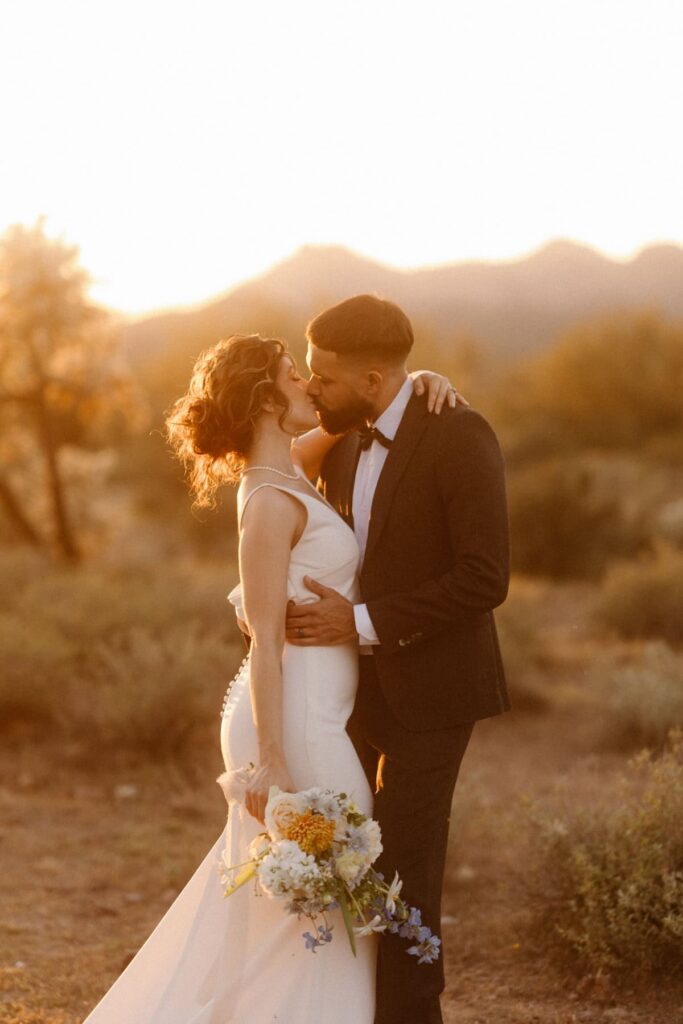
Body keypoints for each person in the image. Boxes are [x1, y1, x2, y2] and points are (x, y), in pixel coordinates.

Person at [80, 330, 456, 1024]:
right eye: (293, 377)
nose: (309, 387)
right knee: (325, 888)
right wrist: (274, 759)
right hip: (293, 721)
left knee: (303, 902)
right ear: (262, 398)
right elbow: (263, 639)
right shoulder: (267, 503)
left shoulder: (285, 473)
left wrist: (418, 377)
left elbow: (365, 422)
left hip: (309, 712)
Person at [284, 294, 511, 1024]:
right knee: (352, 860)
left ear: (374, 379)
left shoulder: (459, 433)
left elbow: (485, 577)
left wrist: (359, 622)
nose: (311, 386)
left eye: (322, 375)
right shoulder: (342, 441)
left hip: (435, 692)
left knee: (407, 872)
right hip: (355, 693)